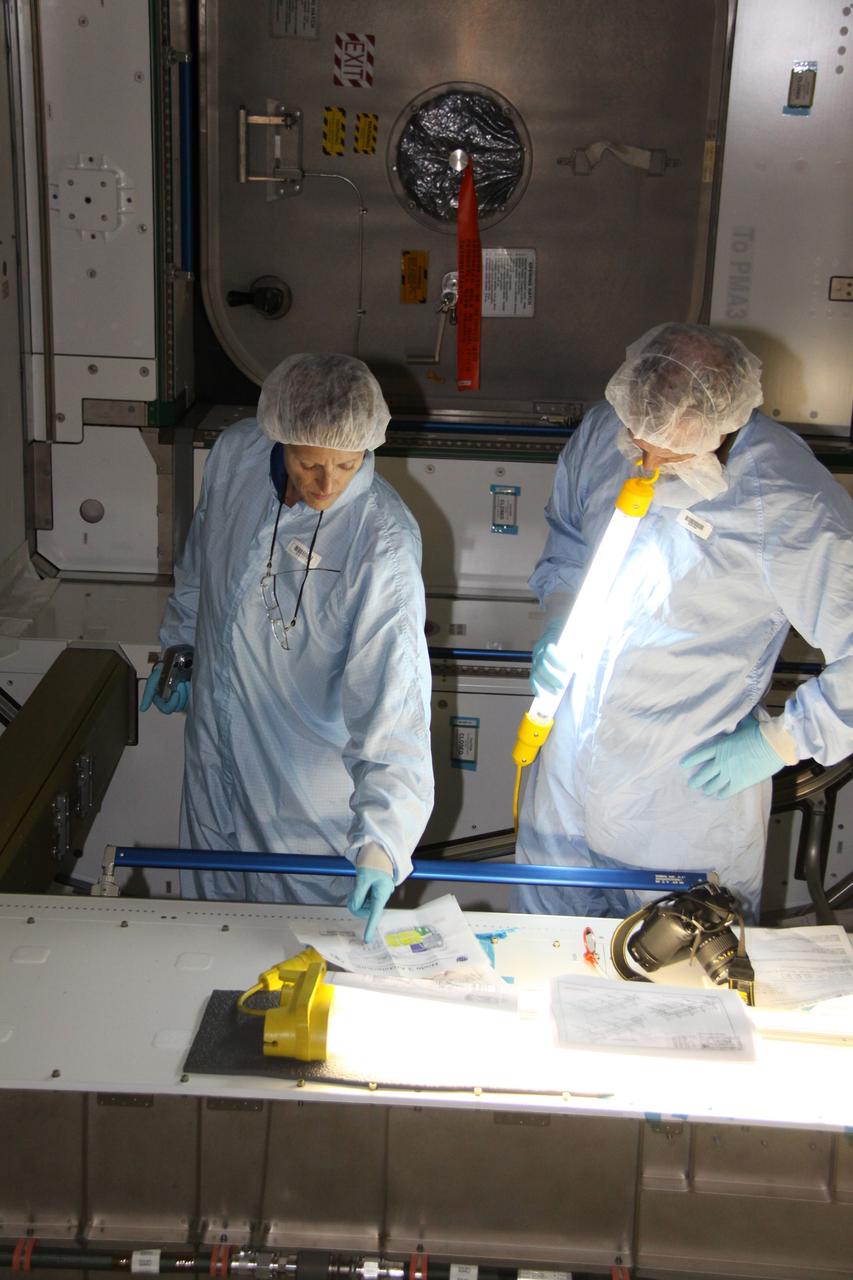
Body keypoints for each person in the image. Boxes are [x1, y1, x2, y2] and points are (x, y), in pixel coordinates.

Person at [516, 322, 853, 920]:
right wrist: (560, 617)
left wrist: (780, 741)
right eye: (636, 441)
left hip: (683, 805)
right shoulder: (610, 428)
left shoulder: (788, 502)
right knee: (551, 968)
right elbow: (570, 534)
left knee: (680, 991)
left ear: (724, 430)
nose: (643, 461)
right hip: (567, 781)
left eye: (667, 453)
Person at [141, 353, 434, 940]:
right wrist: (181, 645)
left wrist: (382, 840)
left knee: (299, 952)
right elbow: (202, 564)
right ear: (280, 438)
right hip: (214, 756)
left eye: (348, 465)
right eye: (309, 463)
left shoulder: (382, 546)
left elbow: (394, 707)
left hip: (302, 793)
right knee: (206, 935)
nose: (327, 485)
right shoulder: (238, 455)